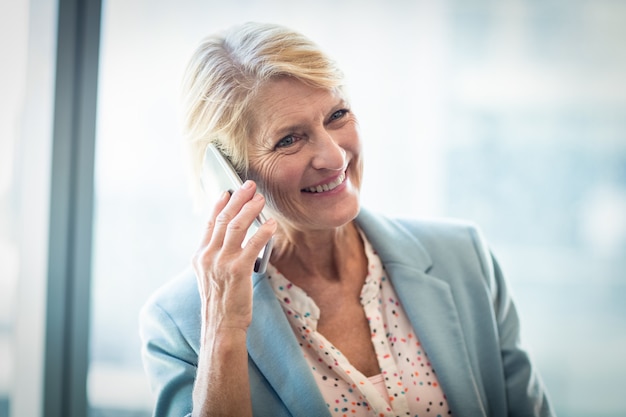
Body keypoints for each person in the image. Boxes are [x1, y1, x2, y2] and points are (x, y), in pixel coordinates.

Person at [139, 22, 555, 417]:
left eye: (337, 116)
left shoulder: (464, 257)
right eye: (289, 139)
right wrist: (223, 331)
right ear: (227, 174)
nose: (335, 157)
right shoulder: (180, 323)